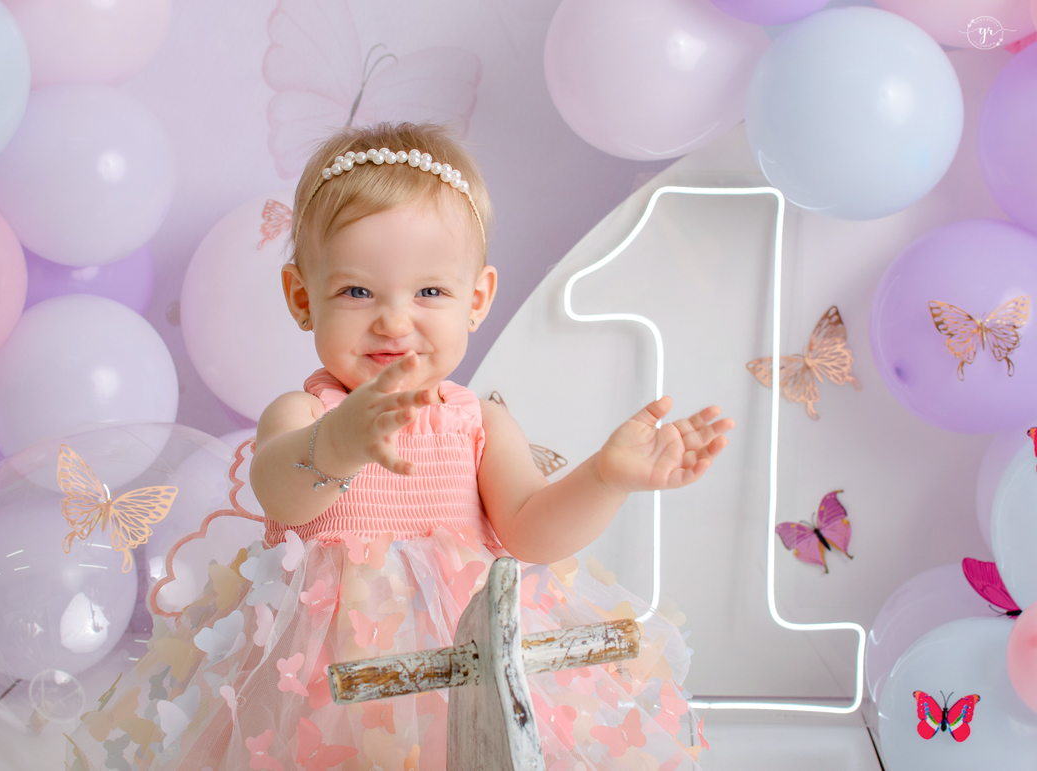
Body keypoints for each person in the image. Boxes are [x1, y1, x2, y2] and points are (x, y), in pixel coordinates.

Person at [66, 122, 733, 770]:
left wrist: (606, 478)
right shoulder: (306, 413)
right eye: (356, 290)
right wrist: (337, 443)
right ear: (302, 297)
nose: (393, 319)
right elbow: (281, 494)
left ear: (477, 299)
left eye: (430, 291)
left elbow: (532, 532)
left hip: (466, 659)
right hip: (329, 677)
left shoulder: (479, 423)